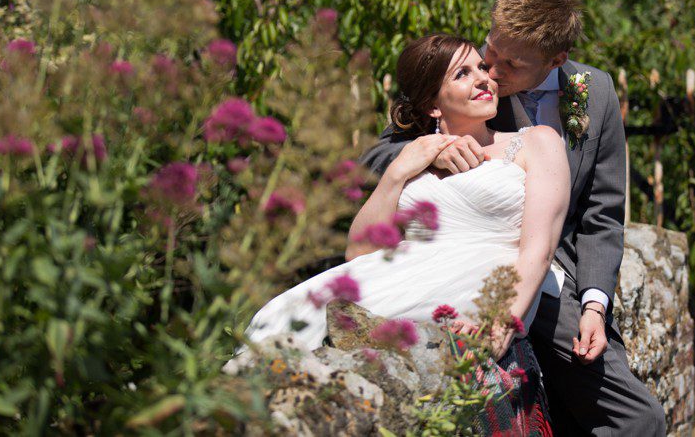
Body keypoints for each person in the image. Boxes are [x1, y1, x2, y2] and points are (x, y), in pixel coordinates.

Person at [364, 0, 667, 436]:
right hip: (464, 265)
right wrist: (433, 148)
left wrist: (594, 305)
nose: (490, 68)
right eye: (490, 47)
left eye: (510, 63)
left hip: (554, 278)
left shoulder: (594, 92)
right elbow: (377, 156)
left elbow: (602, 214)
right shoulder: (469, 76)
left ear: (555, 61)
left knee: (636, 420)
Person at [226, 34, 570, 424]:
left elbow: (538, 248)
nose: (484, 79)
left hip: (481, 277)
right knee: (284, 320)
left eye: (481, 67)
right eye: (463, 73)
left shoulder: (535, 143)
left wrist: (503, 320)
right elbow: (359, 251)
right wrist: (401, 168)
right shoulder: (414, 154)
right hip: (404, 268)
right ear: (432, 105)